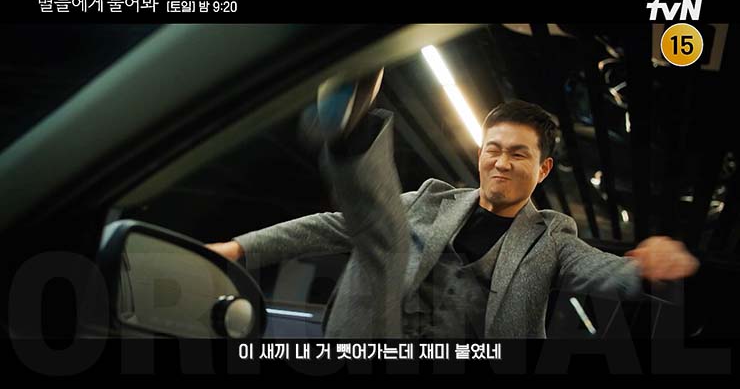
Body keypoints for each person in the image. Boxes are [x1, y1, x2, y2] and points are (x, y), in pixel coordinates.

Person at [206, 70, 699, 338]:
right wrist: (240, 248)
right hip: (375, 343)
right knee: (384, 237)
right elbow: (333, 225)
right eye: (492, 149)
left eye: (518, 154)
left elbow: (601, 271)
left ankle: (354, 139)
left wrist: (645, 271)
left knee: (386, 235)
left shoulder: (552, 236)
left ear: (544, 169)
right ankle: (353, 135)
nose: (501, 162)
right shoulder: (431, 199)